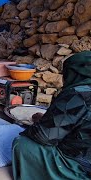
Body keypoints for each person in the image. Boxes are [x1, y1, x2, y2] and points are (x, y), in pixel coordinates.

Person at [12, 51, 91, 180]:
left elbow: (43, 136)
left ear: (74, 73)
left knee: (23, 144)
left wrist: (40, 122)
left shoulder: (78, 94)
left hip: (81, 168)